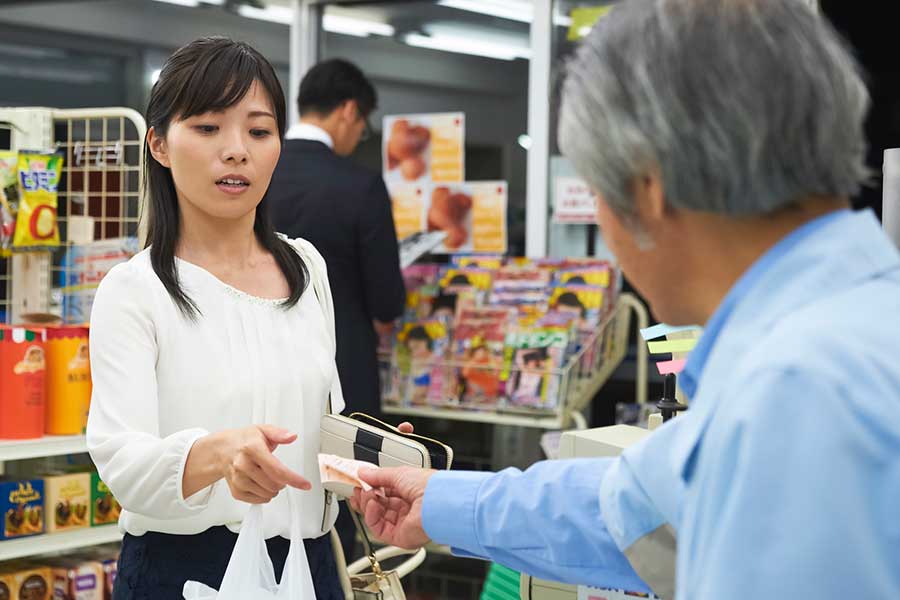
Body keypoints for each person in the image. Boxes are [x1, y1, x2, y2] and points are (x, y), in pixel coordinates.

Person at [351, 2, 900, 599]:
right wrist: (445, 501)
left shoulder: (795, 394)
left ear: (648, 185)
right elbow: (639, 511)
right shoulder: (845, 333)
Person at [85, 38, 413, 599]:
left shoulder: (306, 266)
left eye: (259, 131)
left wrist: (359, 470)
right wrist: (217, 456)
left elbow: (311, 420)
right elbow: (122, 462)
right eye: (209, 128)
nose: (237, 151)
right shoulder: (134, 290)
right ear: (159, 144)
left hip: (311, 568)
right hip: (184, 571)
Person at [268, 58, 405, 422]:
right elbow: (386, 300)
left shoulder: (257, 172)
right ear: (349, 111)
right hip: (342, 364)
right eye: (361, 126)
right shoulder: (362, 185)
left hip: (264, 361)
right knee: (346, 474)